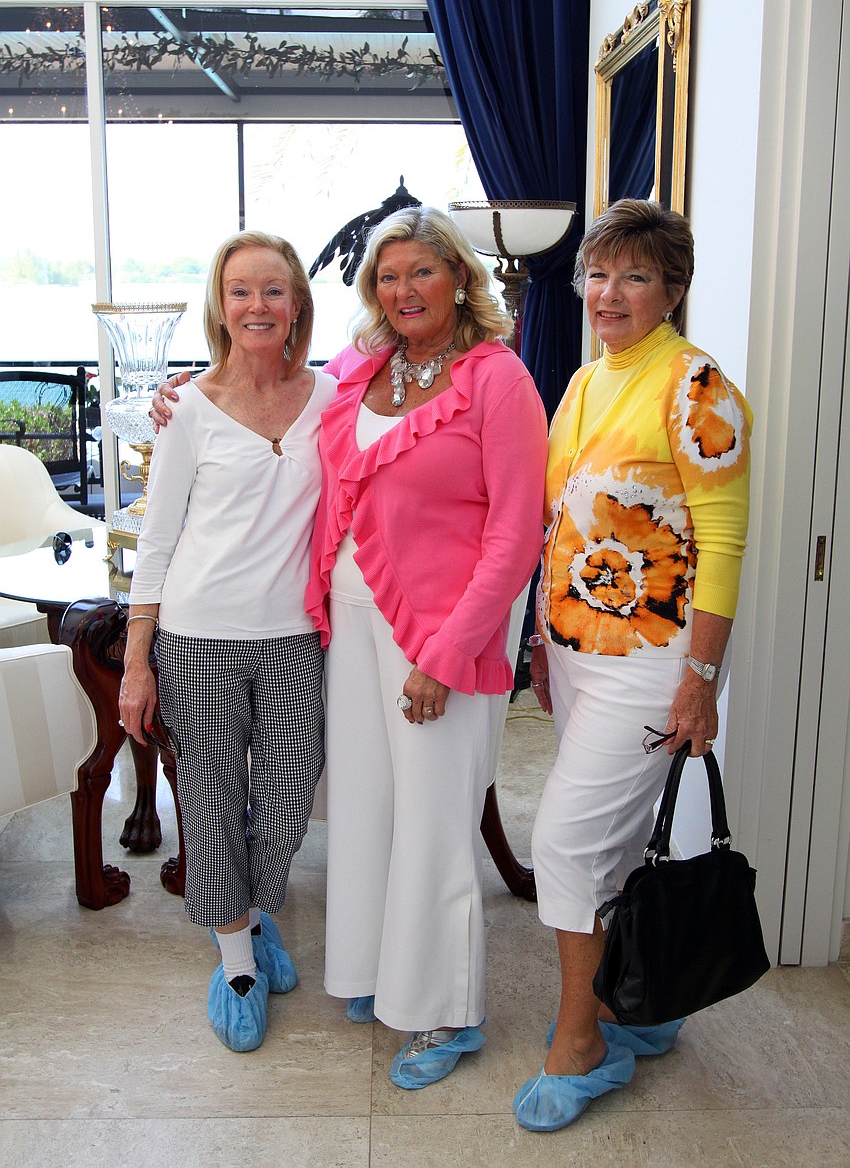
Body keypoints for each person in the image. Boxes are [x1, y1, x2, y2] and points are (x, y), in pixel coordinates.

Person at [513, 199, 752, 1133]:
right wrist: (543, 639)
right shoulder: (584, 381)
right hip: (578, 654)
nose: (608, 293)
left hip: (656, 662)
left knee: (564, 845)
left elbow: (725, 539)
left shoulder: (694, 386)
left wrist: (702, 675)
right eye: (598, 274)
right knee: (606, 845)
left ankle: (582, 1038)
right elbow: (557, 521)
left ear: (674, 289)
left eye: (635, 276)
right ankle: (630, 997)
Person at [306, 205, 548, 1089]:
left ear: (459, 278)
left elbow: (517, 532)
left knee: (436, 823)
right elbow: (282, 403)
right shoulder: (362, 368)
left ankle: (446, 1009)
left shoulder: (498, 379)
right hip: (353, 619)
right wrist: (185, 396)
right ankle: (377, 970)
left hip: (441, 636)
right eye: (387, 275)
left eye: (421, 272)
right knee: (367, 805)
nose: (402, 290)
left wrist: (446, 653)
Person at [120, 230, 337, 1054]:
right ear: (220, 304)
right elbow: (157, 543)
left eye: (273, 290)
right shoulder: (189, 410)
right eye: (240, 291)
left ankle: (249, 909)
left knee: (285, 801)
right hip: (197, 634)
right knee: (210, 797)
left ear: (297, 304)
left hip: (293, 636)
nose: (257, 305)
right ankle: (237, 954)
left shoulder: (332, 396)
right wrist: (137, 661)